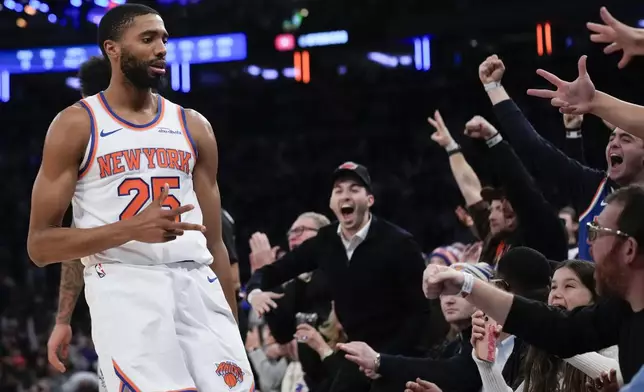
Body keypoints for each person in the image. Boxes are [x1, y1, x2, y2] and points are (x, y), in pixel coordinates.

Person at [27, 4, 252, 391]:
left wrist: (230, 327)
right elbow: (41, 245)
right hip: (125, 290)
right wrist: (131, 229)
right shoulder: (76, 125)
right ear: (112, 49)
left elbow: (214, 242)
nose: (162, 48)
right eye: (147, 39)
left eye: (164, 39)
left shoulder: (193, 126)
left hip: (197, 284)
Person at [421, 184, 644, 384]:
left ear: (629, 249)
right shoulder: (621, 311)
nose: (589, 242)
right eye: (554, 286)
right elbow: (560, 329)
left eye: (596, 232)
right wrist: (466, 284)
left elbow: (559, 331)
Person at [247, 161, 431, 392]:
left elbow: (421, 314)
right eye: (339, 190)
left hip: (399, 356)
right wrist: (254, 292)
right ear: (331, 203)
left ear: (370, 200)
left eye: (354, 189)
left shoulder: (399, 243)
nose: (345, 195)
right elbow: (273, 272)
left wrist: (384, 360)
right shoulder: (325, 242)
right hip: (355, 355)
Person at [478, 52, 644, 261]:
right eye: (611, 138)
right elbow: (533, 147)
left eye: (626, 139)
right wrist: (494, 88)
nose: (614, 143)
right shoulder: (593, 187)